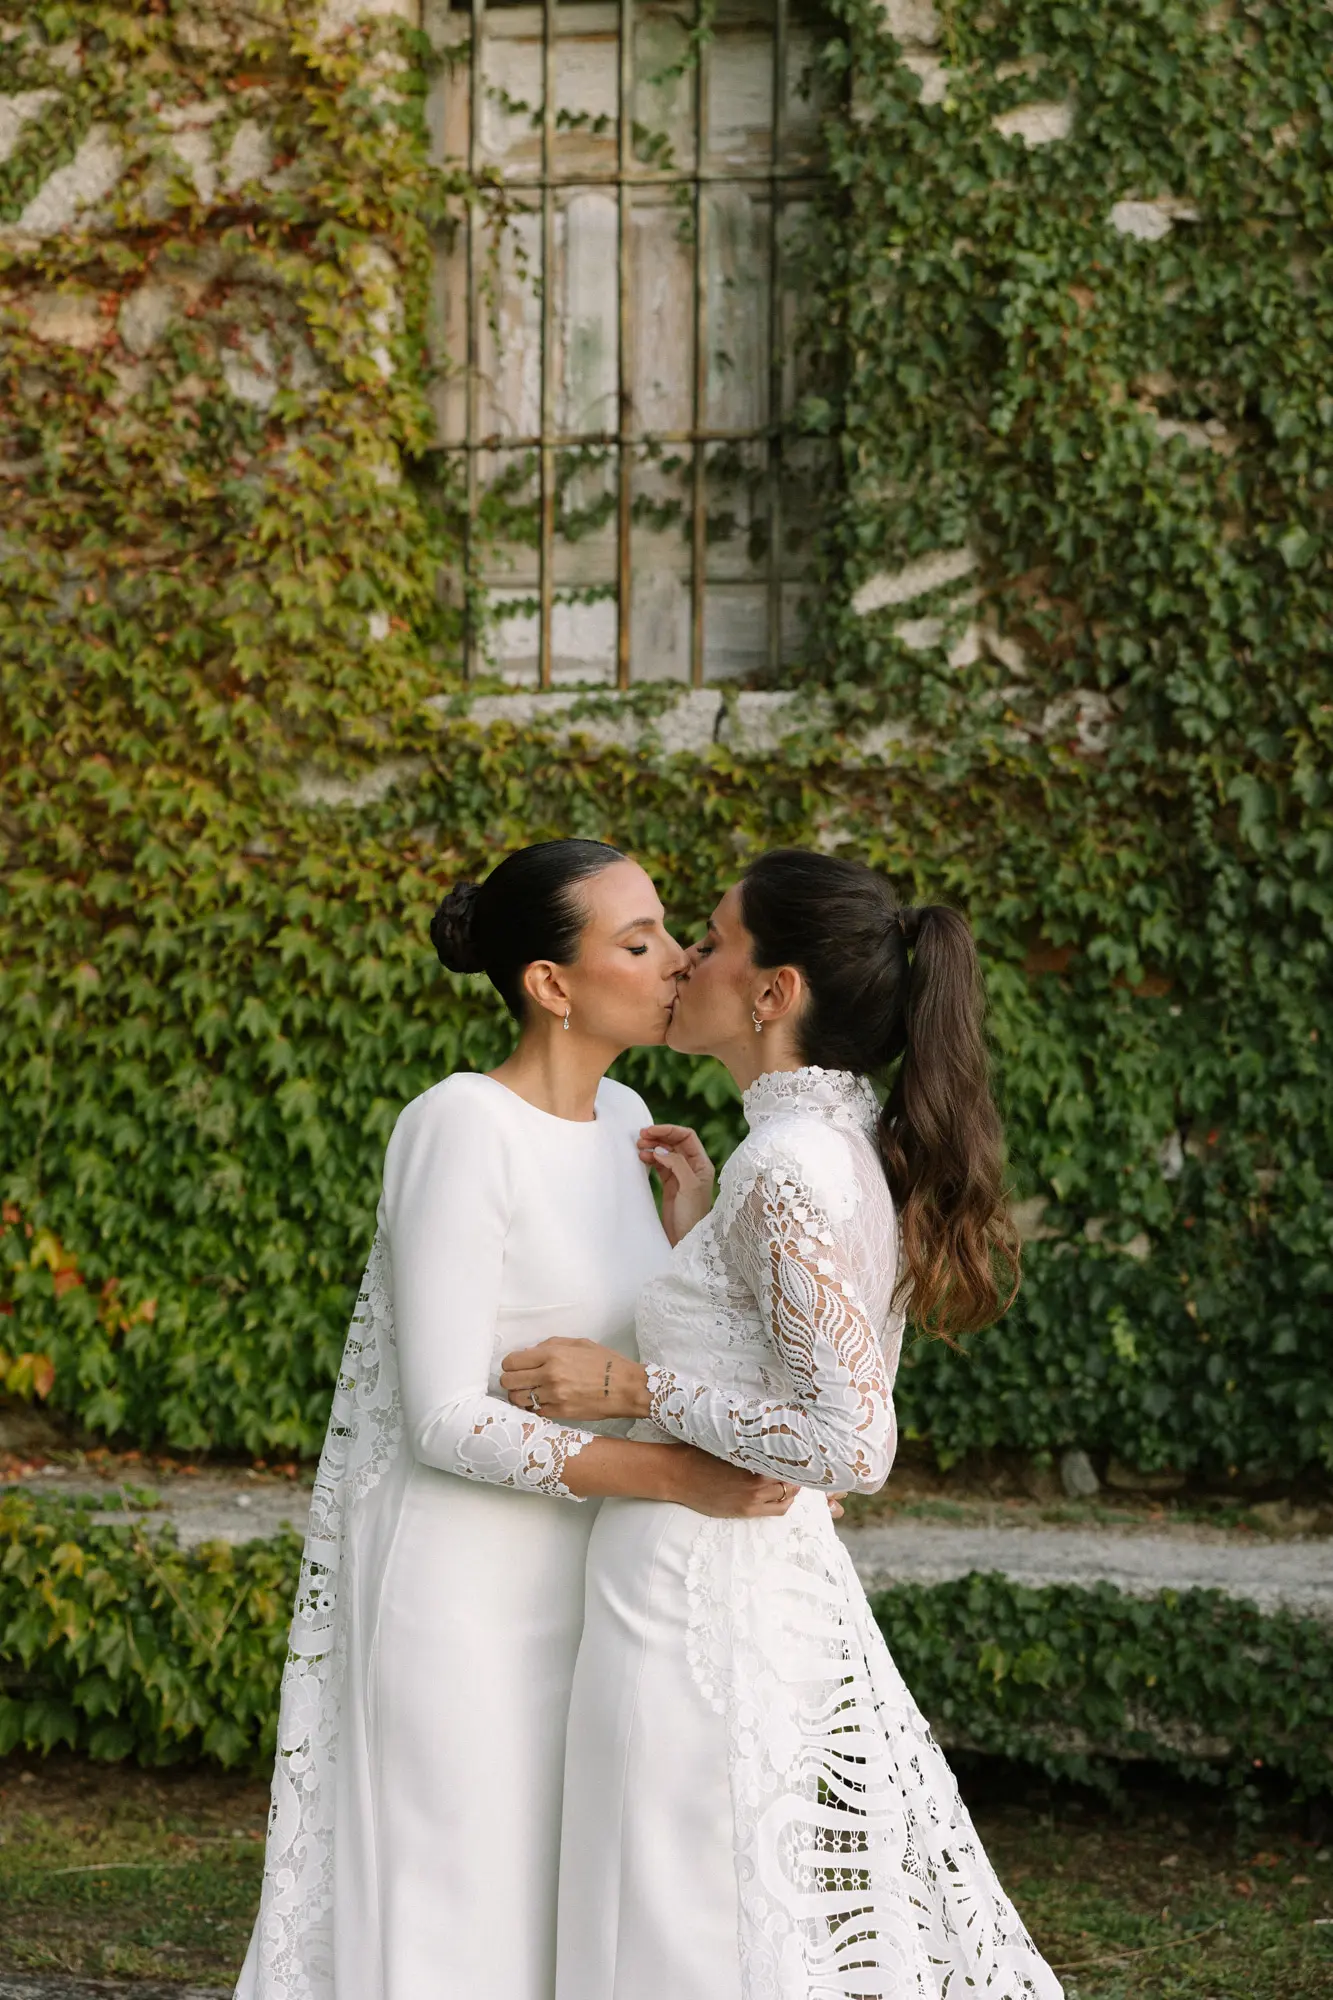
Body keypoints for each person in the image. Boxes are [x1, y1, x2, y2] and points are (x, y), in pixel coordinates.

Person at [234, 839, 799, 2000]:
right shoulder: (457, 1123)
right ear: (549, 983)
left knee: (561, 1911)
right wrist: (676, 1476)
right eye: (637, 941)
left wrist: (689, 1228)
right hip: (462, 1590)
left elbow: (627, 1343)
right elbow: (444, 1413)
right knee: (460, 1914)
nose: (678, 958)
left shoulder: (628, 1116)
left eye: (669, 930)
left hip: (591, 1582)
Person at [504, 848, 1063, 1999]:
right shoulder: (823, 1150)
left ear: (774, 991)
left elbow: (852, 1441)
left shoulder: (789, 1167)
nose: (684, 961)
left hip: (693, 1594)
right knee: (701, 1916)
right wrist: (700, 1233)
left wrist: (632, 1387)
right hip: (741, 1574)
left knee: (663, 1927)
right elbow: (780, 1359)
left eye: (710, 939)